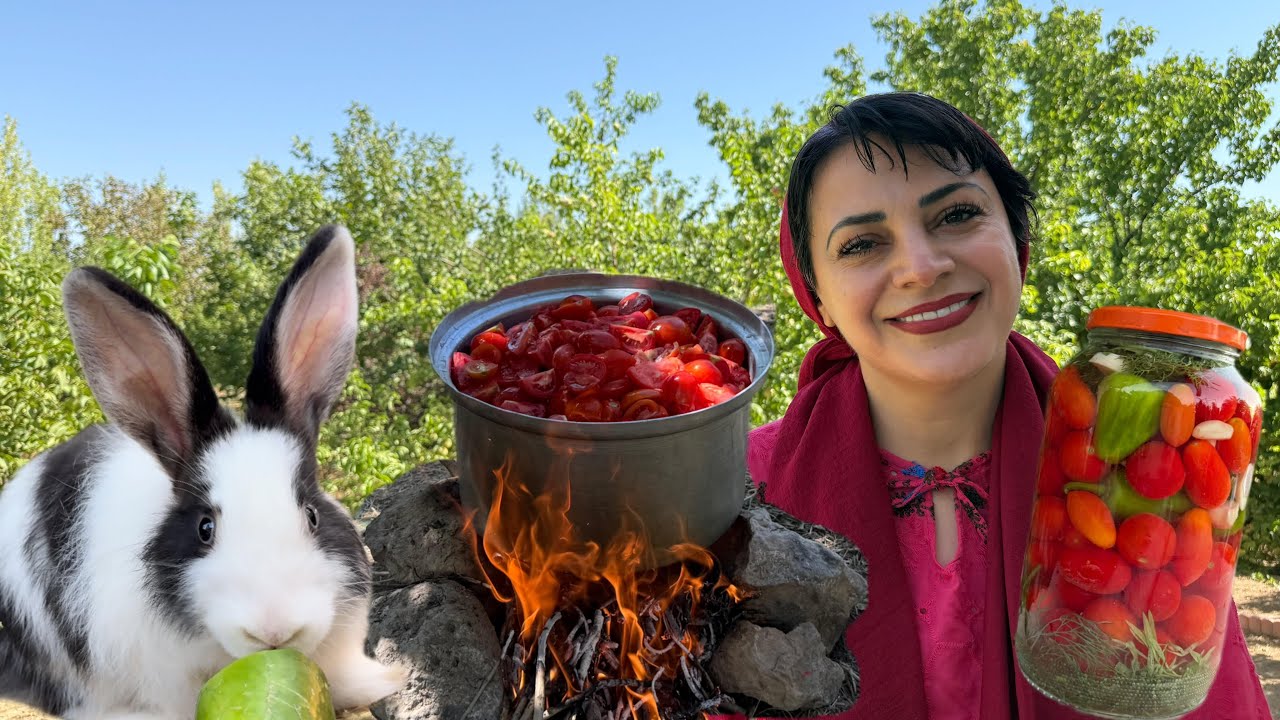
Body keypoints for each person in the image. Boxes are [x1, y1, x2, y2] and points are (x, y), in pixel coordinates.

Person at [741, 92, 1269, 719]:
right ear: (817, 297)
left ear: (1018, 245)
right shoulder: (737, 494)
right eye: (861, 245)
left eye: (957, 214)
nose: (921, 266)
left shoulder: (1146, 467)